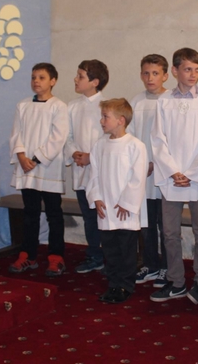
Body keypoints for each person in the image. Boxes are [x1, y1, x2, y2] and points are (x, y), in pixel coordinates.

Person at [150, 48, 198, 305]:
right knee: (169, 232)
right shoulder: (164, 101)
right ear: (175, 71)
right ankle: (176, 281)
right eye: (188, 69)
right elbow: (158, 139)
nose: (193, 74)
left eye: (197, 70)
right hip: (172, 177)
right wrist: (173, 171)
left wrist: (191, 173)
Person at [8, 63, 69, 277]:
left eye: (41, 77)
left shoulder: (59, 106)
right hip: (27, 167)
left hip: (48, 168)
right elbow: (16, 133)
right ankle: (28, 255)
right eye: (34, 77)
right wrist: (21, 156)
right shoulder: (23, 105)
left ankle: (56, 257)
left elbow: (58, 137)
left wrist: (36, 158)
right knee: (30, 214)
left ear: (53, 81)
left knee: (54, 214)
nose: (36, 81)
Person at [88, 98, 148, 304]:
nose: (101, 121)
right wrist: (96, 197)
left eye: (105, 117)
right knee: (111, 251)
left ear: (121, 120)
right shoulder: (99, 146)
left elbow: (138, 178)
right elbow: (94, 175)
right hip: (106, 208)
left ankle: (125, 286)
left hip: (125, 210)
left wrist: (127, 202)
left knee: (126, 251)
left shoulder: (135, 146)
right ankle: (113, 284)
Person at [129, 54, 171, 288]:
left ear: (165, 75)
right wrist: (139, 161)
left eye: (155, 73)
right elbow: (131, 137)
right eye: (146, 73)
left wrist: (156, 161)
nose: (150, 78)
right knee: (145, 224)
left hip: (164, 173)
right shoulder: (136, 101)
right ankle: (150, 264)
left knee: (166, 225)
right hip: (142, 173)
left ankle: (167, 267)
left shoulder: (171, 100)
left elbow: (173, 137)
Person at [65, 59, 109, 274]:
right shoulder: (72, 106)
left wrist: (92, 157)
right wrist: (74, 152)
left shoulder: (107, 106)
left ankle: (109, 257)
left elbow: (111, 139)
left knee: (104, 216)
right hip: (81, 169)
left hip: (101, 172)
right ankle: (94, 255)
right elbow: (68, 136)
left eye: (80, 76)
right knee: (89, 217)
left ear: (95, 82)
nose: (75, 79)